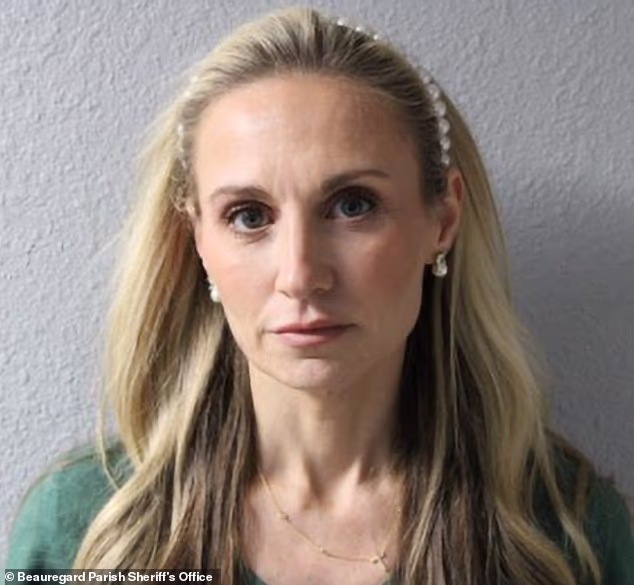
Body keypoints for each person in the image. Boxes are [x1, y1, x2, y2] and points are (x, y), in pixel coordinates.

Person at [5, 6, 634, 585]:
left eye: (353, 205)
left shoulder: (565, 537)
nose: (301, 274)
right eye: (249, 216)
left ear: (442, 219)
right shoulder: (86, 534)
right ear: (195, 239)